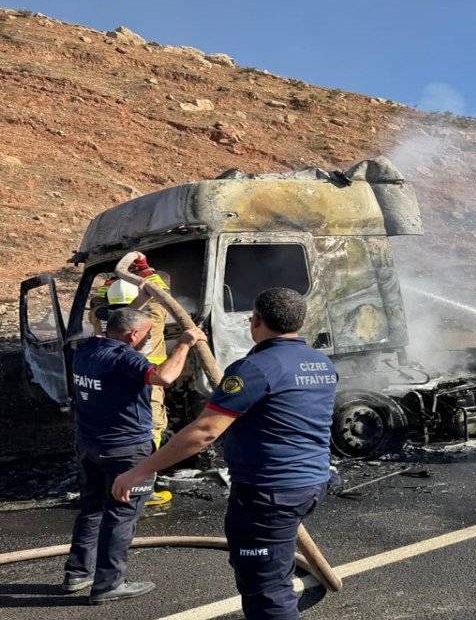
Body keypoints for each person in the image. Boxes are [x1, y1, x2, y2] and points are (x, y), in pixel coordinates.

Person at [112, 288, 335, 620]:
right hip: (312, 483)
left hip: (269, 493)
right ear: (301, 323)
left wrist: (139, 471)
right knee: (275, 566)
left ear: (255, 320)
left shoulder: (255, 368)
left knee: (267, 591)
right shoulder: (322, 363)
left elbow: (204, 432)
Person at [63, 308, 206, 604]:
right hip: (126, 450)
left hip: (90, 444)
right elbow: (164, 376)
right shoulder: (125, 358)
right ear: (133, 335)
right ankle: (109, 584)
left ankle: (78, 572)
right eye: (148, 333)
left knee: (92, 508)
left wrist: (143, 297)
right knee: (121, 514)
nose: (149, 338)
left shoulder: (88, 349)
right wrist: (185, 343)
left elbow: (123, 321)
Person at [90, 256, 174, 506]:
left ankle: (108, 485)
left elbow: (96, 302)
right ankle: (142, 488)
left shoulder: (102, 320)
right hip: (148, 388)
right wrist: (145, 269)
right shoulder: (152, 319)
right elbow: (162, 294)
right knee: (150, 433)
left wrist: (113, 281)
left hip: (111, 389)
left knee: (114, 434)